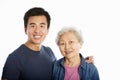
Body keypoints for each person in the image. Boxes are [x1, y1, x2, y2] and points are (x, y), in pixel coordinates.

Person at [1, 7, 94, 80]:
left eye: (42, 26)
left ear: (47, 30)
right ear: (25, 29)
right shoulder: (14, 58)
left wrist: (81, 62)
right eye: (33, 26)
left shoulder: (49, 51)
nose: (37, 31)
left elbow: (62, 67)